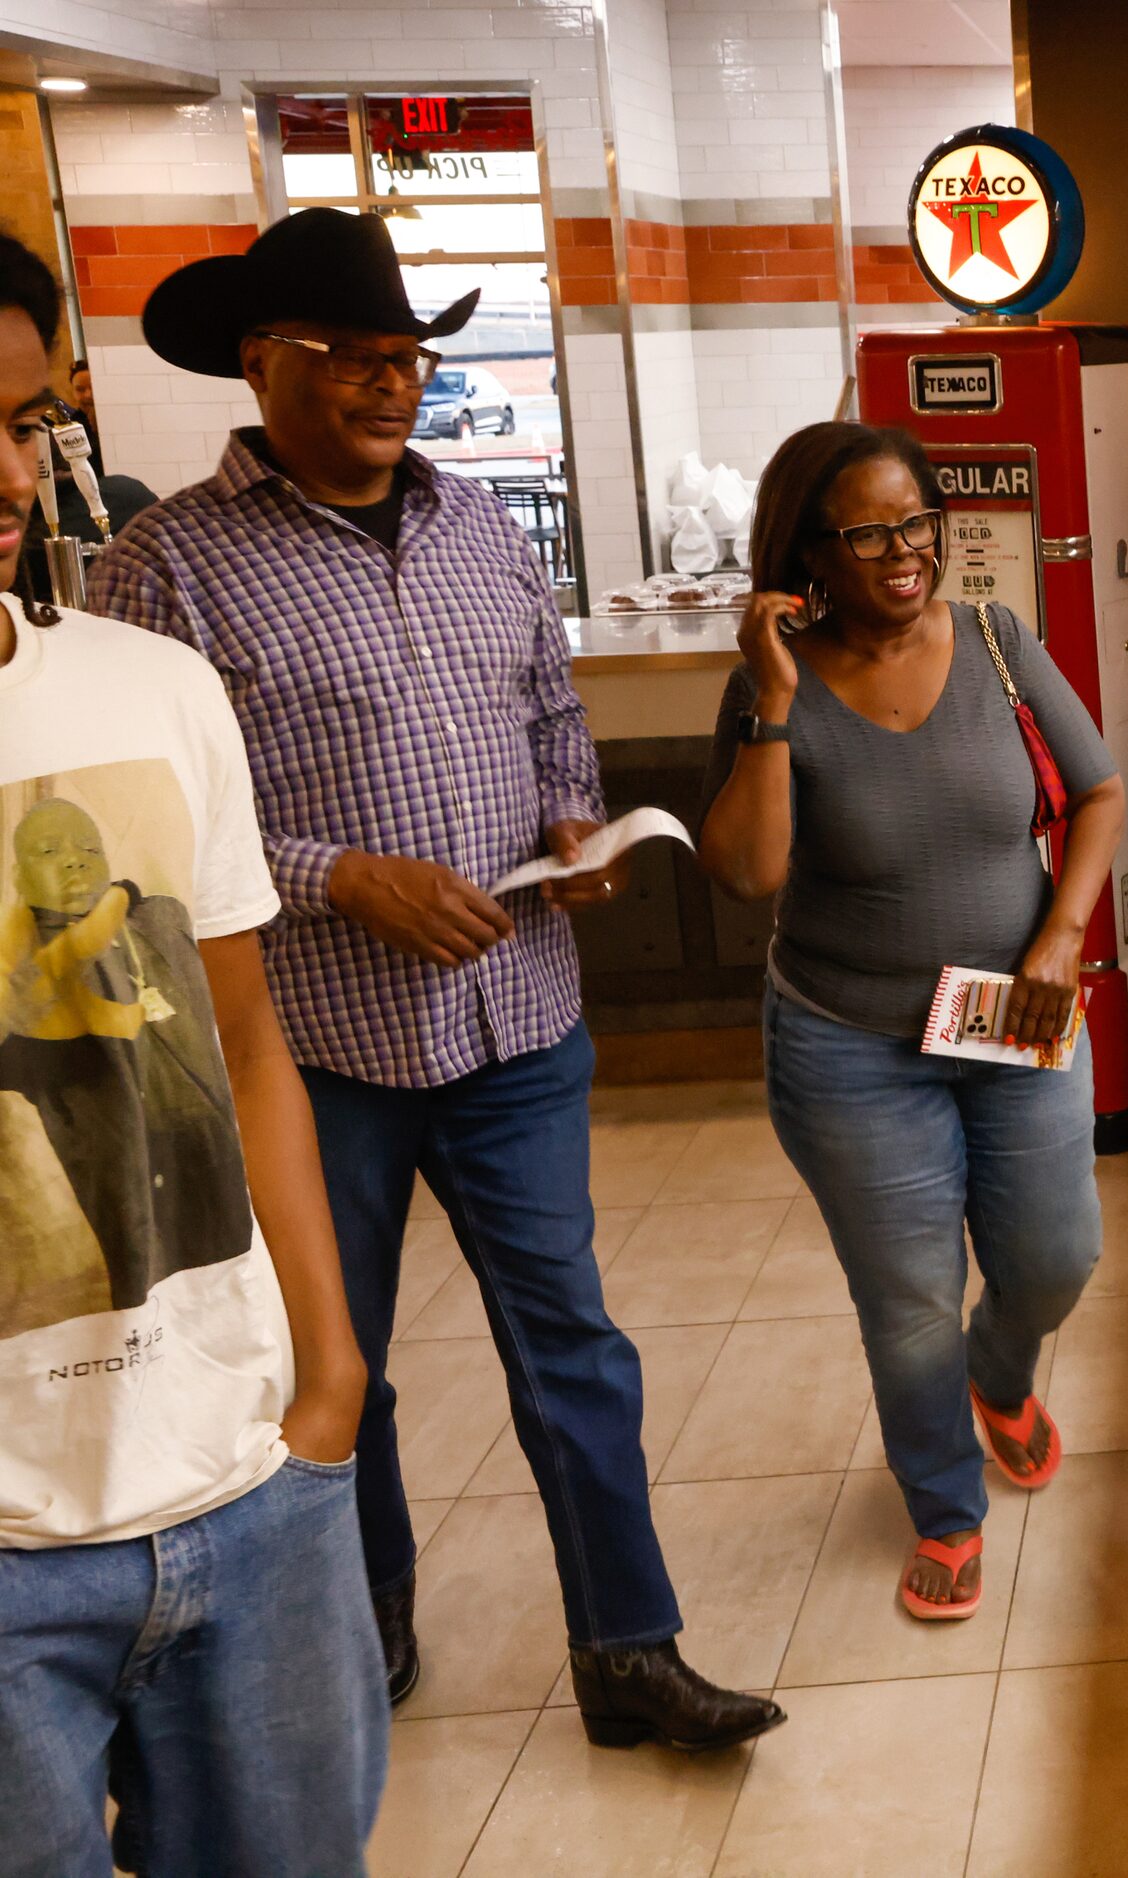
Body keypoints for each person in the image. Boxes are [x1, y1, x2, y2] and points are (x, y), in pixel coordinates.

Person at [86, 207, 781, 1751]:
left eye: (409, 357)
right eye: (354, 358)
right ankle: (369, 1624)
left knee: (572, 1343)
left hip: (518, 1020)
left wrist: (570, 816)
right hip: (316, 1046)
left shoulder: (480, 528)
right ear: (264, 361)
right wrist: (346, 876)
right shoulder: (167, 570)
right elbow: (141, 813)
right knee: (345, 1361)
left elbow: (549, 711)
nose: (393, 385)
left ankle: (628, 1646)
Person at [0, 229, 385, 1876]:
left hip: (246, 1494)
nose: (5, 470)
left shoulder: (148, 690)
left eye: (22, 420)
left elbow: (241, 1034)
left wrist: (329, 1380)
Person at [698, 421, 1124, 1622]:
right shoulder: (767, 685)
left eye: (917, 523)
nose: (903, 554)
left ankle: (1001, 1376)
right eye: (869, 532)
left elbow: (1097, 790)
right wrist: (774, 707)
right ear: (808, 554)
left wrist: (1061, 935)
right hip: (851, 1046)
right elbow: (747, 874)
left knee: (1056, 1256)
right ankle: (944, 1506)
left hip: (1011, 1014)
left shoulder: (995, 641)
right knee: (908, 1299)